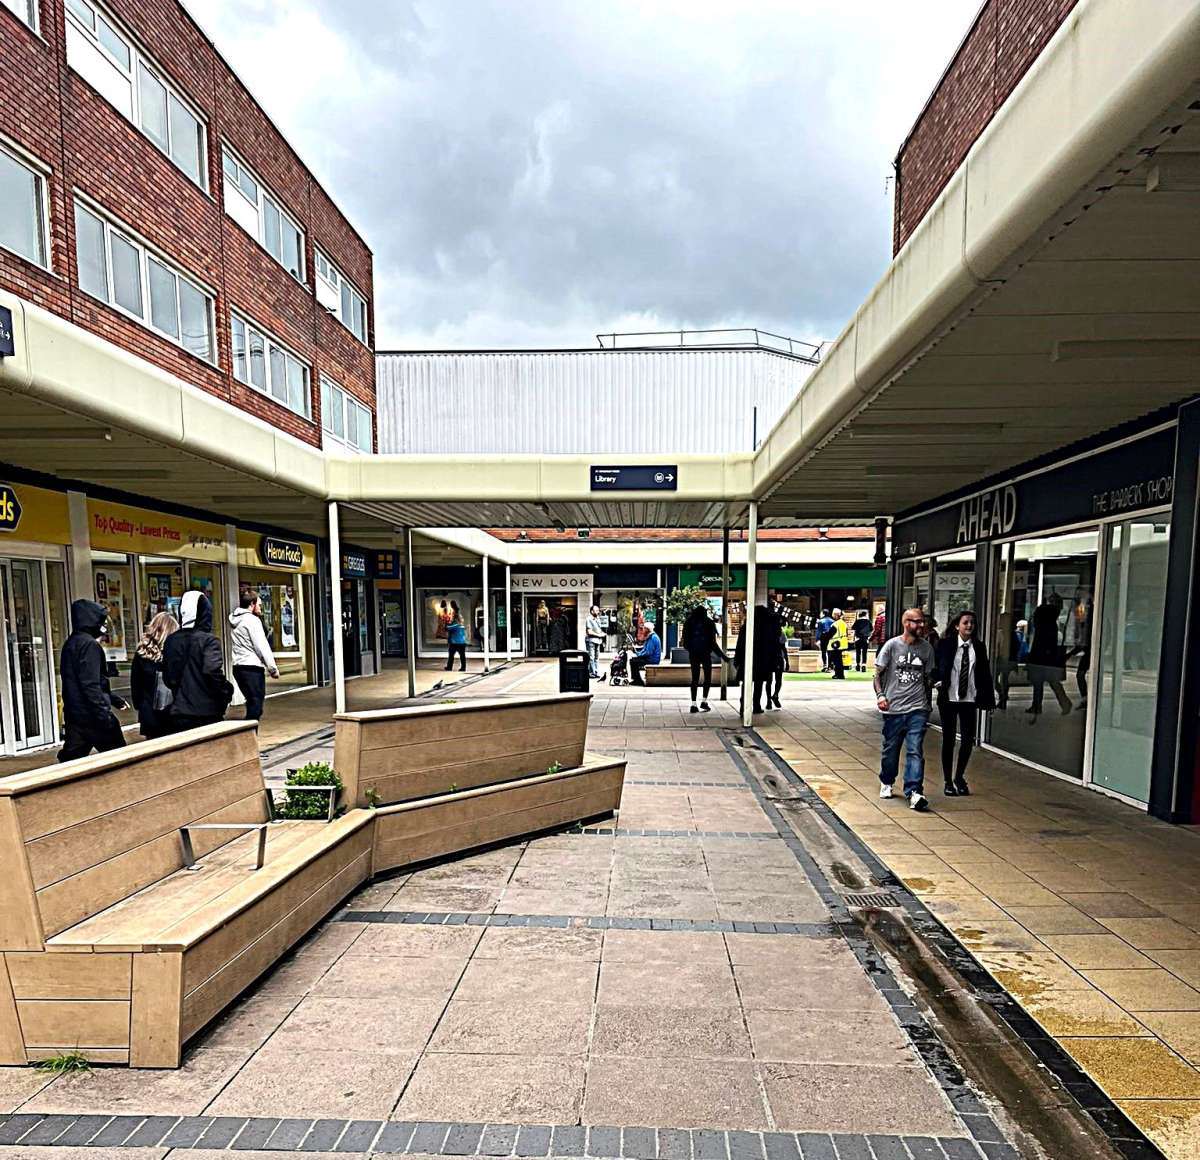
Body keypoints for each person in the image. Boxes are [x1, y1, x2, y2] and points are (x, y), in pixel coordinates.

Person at [874, 607, 936, 812]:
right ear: (906, 623)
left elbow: (928, 678)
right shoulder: (892, 646)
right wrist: (881, 696)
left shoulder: (927, 649)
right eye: (917, 621)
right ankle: (887, 780)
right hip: (893, 708)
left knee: (915, 750)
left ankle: (914, 792)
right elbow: (877, 675)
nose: (921, 625)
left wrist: (930, 698)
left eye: (922, 621)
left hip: (918, 708)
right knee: (891, 750)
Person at [58, 599, 127, 761]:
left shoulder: (70, 644)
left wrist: (114, 699)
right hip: (93, 716)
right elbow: (91, 685)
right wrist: (105, 715)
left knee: (71, 761)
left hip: (76, 716)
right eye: (101, 621)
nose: (103, 625)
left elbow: (80, 681)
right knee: (120, 759)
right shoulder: (89, 645)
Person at [935, 609, 995, 796]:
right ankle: (947, 781)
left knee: (968, 740)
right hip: (949, 698)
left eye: (972, 623)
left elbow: (984, 674)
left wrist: (989, 699)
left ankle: (959, 777)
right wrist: (936, 680)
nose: (969, 626)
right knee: (949, 739)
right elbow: (936, 666)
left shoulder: (979, 647)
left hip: (969, 699)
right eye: (965, 622)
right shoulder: (945, 644)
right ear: (956, 626)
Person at [162, 590, 233, 733]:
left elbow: (168, 677)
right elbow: (212, 671)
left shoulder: (171, 640)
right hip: (208, 711)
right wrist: (226, 690)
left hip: (179, 711)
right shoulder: (208, 640)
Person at [229, 591, 280, 720]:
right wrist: (272, 668)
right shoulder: (252, 620)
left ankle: (250, 730)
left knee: (252, 702)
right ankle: (249, 731)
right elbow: (261, 646)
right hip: (252, 668)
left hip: (238, 667)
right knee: (256, 706)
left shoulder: (235, 619)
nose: (261, 608)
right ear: (252, 604)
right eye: (259, 605)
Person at [130, 612, 179, 740]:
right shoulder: (174, 654)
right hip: (172, 713)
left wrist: (140, 706)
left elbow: (135, 685)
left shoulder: (142, 653)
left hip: (149, 714)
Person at [1027, 593, 1071, 718]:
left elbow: (1039, 642)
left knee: (1043, 681)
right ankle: (1060, 703)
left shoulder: (1044, 626)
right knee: (1049, 681)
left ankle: (1040, 705)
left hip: (1042, 656)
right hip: (1047, 656)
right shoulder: (1051, 624)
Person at [734, 605, 780, 714]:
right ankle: (756, 705)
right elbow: (773, 645)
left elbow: (740, 644)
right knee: (759, 683)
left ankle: (743, 705)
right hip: (762, 660)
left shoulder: (746, 627)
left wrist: (737, 659)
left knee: (746, 683)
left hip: (747, 659)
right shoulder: (767, 628)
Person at [682, 604, 726, 713]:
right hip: (706, 654)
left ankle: (693, 704)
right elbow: (713, 643)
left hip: (694, 654)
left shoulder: (689, 622)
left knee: (695, 678)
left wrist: (691, 649)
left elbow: (685, 641)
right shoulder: (709, 622)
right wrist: (722, 656)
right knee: (707, 678)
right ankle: (704, 701)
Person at [629, 621, 662, 686]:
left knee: (633, 662)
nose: (643, 630)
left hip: (652, 659)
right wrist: (638, 654)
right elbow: (645, 650)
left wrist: (638, 655)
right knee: (633, 660)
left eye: (644, 628)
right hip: (650, 658)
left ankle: (637, 680)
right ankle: (637, 680)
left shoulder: (653, 638)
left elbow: (648, 652)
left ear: (647, 629)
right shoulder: (650, 637)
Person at [585, 604, 606, 679]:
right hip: (591, 640)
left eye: (598, 610)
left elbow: (598, 629)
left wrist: (602, 634)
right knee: (591, 657)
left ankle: (595, 672)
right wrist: (599, 635)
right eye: (596, 610)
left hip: (598, 641)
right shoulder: (589, 619)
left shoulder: (598, 619)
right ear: (592, 611)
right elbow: (589, 632)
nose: (598, 612)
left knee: (596, 657)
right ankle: (591, 673)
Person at [828, 608, 849, 679]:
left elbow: (830, 634)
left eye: (833, 614)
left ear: (836, 615)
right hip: (843, 643)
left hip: (836, 644)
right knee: (839, 660)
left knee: (836, 660)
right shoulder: (843, 623)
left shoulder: (835, 624)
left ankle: (838, 674)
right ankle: (840, 674)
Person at [445, 604, 467, 671]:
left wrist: (447, 622)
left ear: (455, 618)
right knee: (462, 656)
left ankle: (449, 667)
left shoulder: (455, 625)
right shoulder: (462, 626)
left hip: (454, 643)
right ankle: (463, 667)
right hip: (462, 642)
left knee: (451, 655)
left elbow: (447, 628)